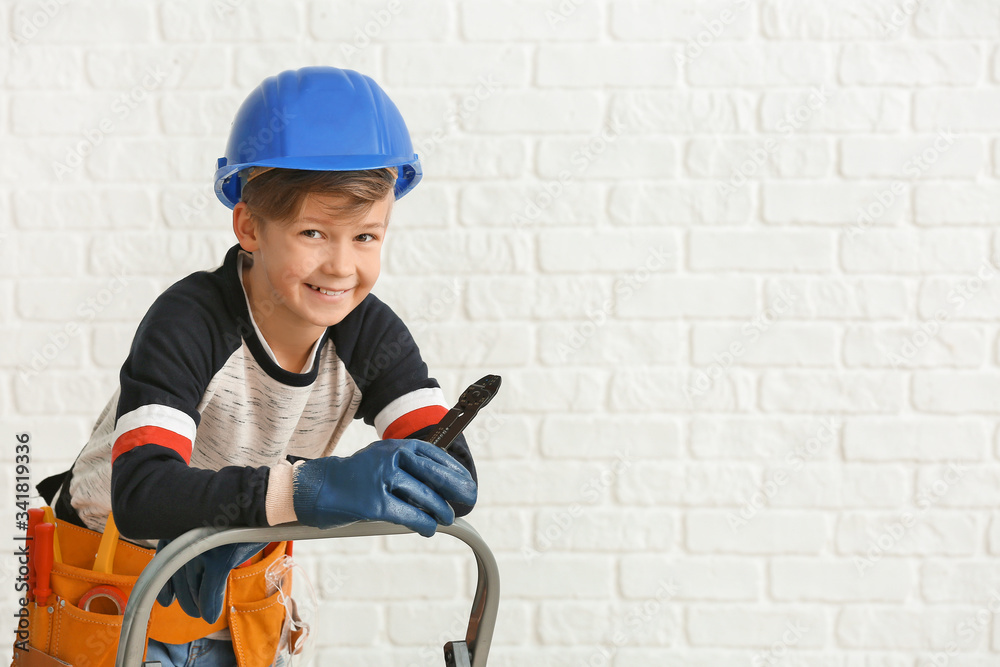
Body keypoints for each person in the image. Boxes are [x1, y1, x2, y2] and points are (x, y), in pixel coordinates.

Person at [38, 66, 478, 667]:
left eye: (367, 237)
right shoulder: (190, 320)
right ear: (249, 226)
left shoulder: (370, 333)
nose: (342, 266)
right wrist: (308, 490)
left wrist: (237, 523)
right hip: (113, 600)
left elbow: (450, 475)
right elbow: (141, 491)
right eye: (314, 232)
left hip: (243, 608)